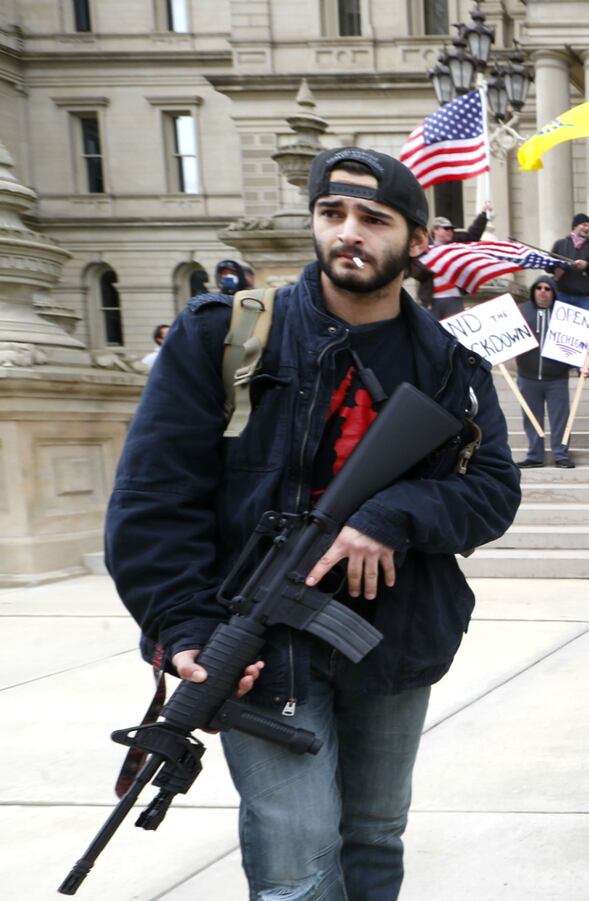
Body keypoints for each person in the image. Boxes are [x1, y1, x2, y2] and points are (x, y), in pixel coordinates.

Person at [104, 146, 521, 900]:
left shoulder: (449, 363)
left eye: (373, 218)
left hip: (395, 637)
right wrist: (186, 627)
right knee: (294, 866)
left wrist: (391, 515)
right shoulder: (222, 336)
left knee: (372, 835)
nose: (348, 233)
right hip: (260, 641)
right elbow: (150, 500)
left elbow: (493, 490)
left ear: (418, 241)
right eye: (332, 214)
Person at [515, 275, 578, 469]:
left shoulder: (565, 315)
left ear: (553, 293)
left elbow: (577, 342)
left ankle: (561, 454)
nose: (543, 292)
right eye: (539, 288)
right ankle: (535, 454)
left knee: (560, 419)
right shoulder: (520, 312)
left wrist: (580, 365)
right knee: (531, 418)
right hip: (527, 377)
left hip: (556, 378)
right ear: (533, 291)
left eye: (547, 289)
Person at [417, 201, 492, 319]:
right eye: (446, 229)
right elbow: (417, 274)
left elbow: (473, 235)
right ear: (435, 230)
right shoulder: (425, 249)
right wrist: (435, 264)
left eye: (451, 229)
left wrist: (483, 214)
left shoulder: (456, 244)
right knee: (433, 333)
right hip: (432, 301)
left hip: (454, 298)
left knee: (454, 334)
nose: (450, 231)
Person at [551, 213, 589, 313]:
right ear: (575, 226)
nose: (587, 228)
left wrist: (587, 265)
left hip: (585, 299)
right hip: (562, 295)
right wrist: (555, 268)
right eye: (584, 225)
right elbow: (548, 264)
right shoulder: (560, 244)